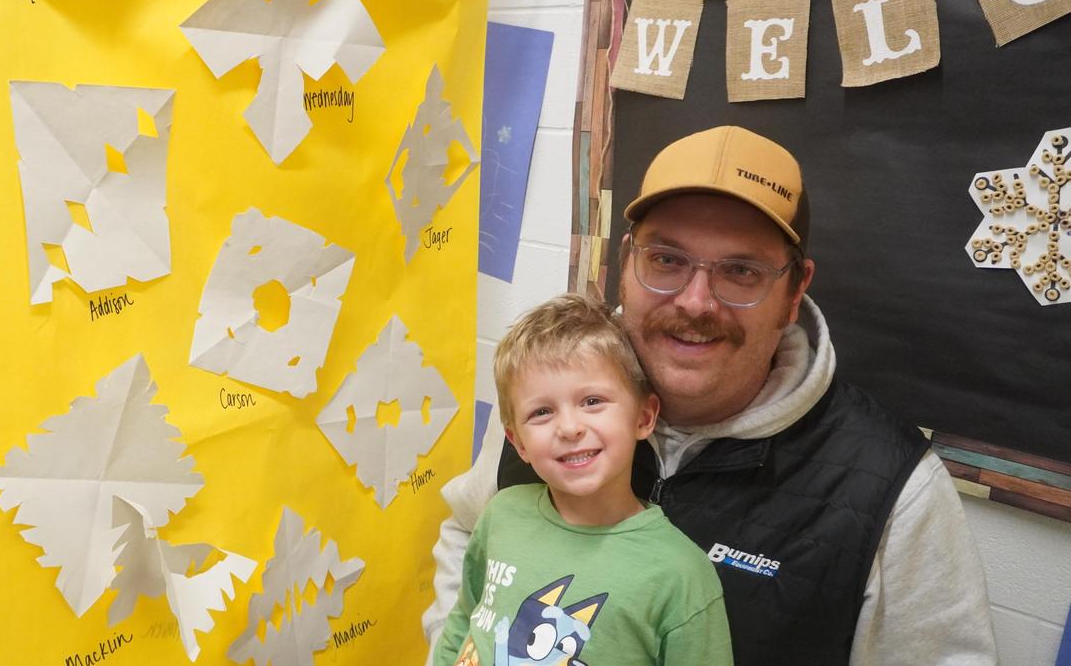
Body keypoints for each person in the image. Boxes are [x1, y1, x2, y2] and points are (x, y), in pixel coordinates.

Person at [424, 126, 998, 665]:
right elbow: (472, 532)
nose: (696, 302)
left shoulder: (893, 487)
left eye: (741, 271)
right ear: (627, 262)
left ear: (794, 291)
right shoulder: (550, 394)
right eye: (666, 260)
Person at [433, 294, 733, 666]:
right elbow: (465, 618)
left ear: (643, 417)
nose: (569, 428)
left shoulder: (681, 575)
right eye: (542, 412)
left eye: (592, 401)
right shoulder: (500, 514)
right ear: (518, 442)